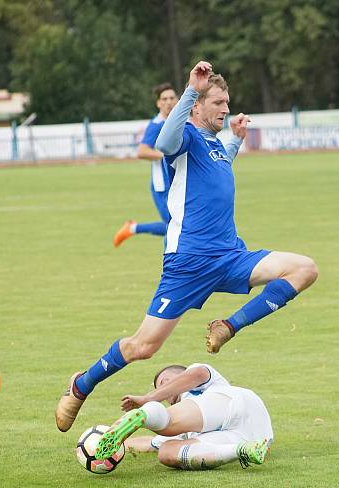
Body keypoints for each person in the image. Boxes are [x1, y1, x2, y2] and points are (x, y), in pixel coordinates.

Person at [55, 61, 318, 433]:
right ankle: (81, 385)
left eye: (228, 103)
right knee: (143, 347)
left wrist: (236, 138)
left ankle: (228, 326)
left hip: (230, 257)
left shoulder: (212, 143)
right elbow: (163, 143)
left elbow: (218, 162)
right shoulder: (186, 139)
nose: (226, 110)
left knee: (304, 268)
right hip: (189, 263)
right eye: (219, 103)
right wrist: (191, 90)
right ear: (197, 106)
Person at [98, 363, 272, 470]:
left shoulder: (206, 382)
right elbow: (149, 444)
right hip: (254, 436)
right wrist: (106, 442)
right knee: (166, 452)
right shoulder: (181, 422)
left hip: (232, 404)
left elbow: (198, 374)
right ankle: (243, 450)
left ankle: (146, 412)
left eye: (164, 382)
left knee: (168, 423)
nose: (164, 389)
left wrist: (149, 398)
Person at [113, 83, 178, 247]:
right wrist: (166, 156)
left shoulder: (178, 122)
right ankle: (133, 228)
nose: (169, 102)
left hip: (177, 182)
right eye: (164, 99)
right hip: (162, 185)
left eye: (172, 98)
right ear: (158, 103)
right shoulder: (156, 125)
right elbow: (142, 151)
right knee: (174, 226)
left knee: (180, 225)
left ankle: (133, 228)